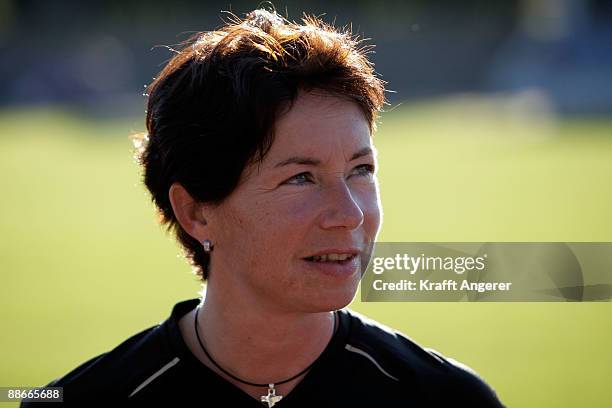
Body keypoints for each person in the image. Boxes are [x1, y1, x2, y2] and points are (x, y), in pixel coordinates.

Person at [22, 8, 504, 407]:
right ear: (196, 212)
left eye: (361, 170)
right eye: (300, 178)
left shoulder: (448, 399)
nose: (350, 214)